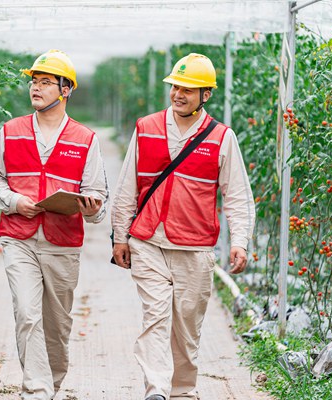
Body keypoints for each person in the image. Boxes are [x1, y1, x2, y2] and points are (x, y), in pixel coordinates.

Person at [110, 53, 255, 400]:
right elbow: (127, 186)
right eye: (176, 86)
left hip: (195, 248)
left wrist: (241, 241)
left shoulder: (222, 138)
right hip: (148, 242)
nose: (178, 93)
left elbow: (237, 195)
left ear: (205, 95)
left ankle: (183, 393)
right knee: (155, 318)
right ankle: (157, 390)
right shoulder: (146, 128)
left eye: (188, 89)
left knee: (186, 332)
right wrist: (120, 236)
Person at [0, 49, 108, 400]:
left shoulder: (85, 139)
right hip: (18, 238)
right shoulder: (10, 130)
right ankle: (35, 391)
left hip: (62, 242)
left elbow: (98, 197)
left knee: (57, 325)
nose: (35, 88)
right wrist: (14, 201)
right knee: (26, 312)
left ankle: (50, 385)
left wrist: (90, 207)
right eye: (33, 82)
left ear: (66, 90)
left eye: (45, 82)